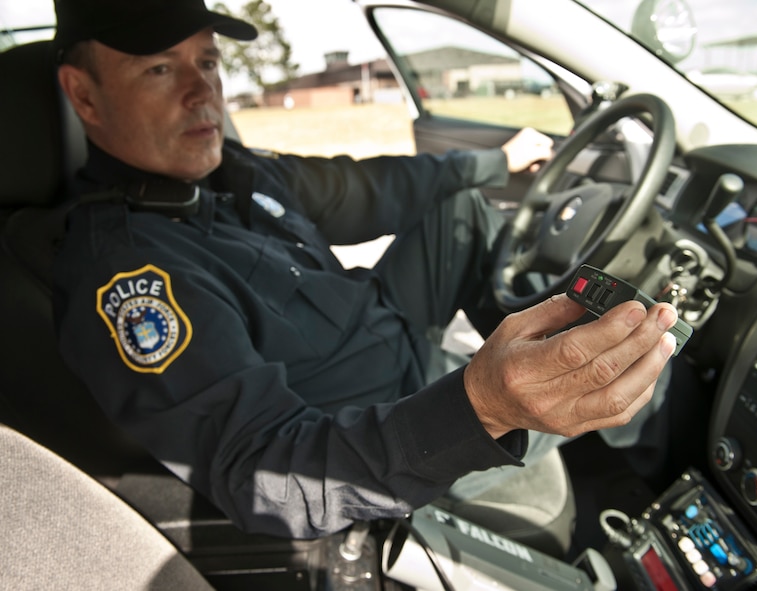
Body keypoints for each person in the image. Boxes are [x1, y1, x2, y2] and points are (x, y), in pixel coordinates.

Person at [51, 0, 678, 540]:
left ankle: (553, 361)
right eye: (159, 68)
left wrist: (495, 163)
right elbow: (267, 475)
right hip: (379, 424)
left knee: (456, 211)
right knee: (658, 379)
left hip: (389, 328)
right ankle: (643, 461)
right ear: (83, 94)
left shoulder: (232, 173)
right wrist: (482, 407)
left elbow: (370, 186)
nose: (201, 91)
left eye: (207, 62)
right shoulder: (126, 274)